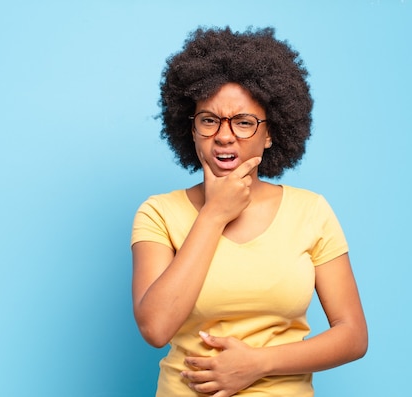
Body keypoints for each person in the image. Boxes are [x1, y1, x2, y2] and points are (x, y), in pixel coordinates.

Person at [131, 26, 367, 397]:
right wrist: (213, 215)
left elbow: (353, 335)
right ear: (190, 130)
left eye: (243, 122)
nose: (224, 136)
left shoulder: (311, 211)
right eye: (209, 120)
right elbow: (156, 328)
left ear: (270, 134)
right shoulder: (158, 213)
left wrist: (257, 364)